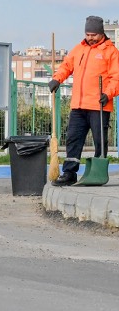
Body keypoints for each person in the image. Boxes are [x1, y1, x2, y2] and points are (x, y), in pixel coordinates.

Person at [49, 15, 119, 186]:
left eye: (93, 34)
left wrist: (108, 94)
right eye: (87, 34)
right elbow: (67, 66)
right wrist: (57, 79)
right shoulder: (79, 49)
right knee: (73, 138)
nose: (90, 38)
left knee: (99, 140)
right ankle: (69, 173)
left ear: (101, 33)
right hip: (78, 105)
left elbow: (116, 77)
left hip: (99, 105)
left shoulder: (111, 52)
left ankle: (97, 173)